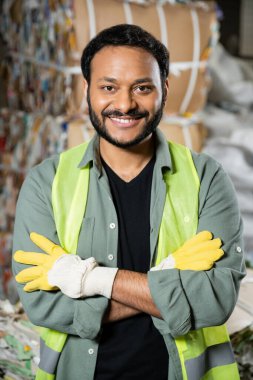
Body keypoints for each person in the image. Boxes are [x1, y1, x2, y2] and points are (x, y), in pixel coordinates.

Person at [12, 24, 245, 380]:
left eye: (142, 87)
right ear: (86, 90)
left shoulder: (207, 179)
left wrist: (91, 280)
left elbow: (215, 299)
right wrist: (168, 283)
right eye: (108, 87)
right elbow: (44, 305)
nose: (124, 104)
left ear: (164, 90)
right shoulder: (47, 183)